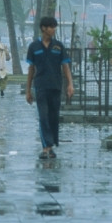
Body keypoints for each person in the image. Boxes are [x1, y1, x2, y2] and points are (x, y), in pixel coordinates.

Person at [25, 16, 74, 160]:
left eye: (54, 27)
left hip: (56, 86)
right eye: (51, 27)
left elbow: (65, 66)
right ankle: (46, 147)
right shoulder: (34, 47)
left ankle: (51, 147)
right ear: (43, 28)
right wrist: (28, 90)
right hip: (40, 87)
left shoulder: (58, 46)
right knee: (43, 116)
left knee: (53, 117)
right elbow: (31, 69)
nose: (54, 29)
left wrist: (70, 84)